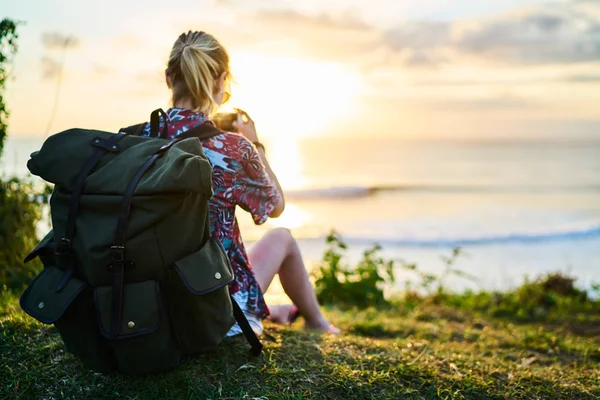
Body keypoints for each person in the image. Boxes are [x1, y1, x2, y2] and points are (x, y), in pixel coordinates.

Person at [140, 30, 339, 337]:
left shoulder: (136, 140)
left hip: (150, 310)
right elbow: (275, 206)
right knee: (282, 237)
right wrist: (255, 145)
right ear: (220, 81)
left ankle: (277, 311)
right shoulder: (232, 148)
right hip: (218, 317)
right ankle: (318, 323)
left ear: (169, 79)